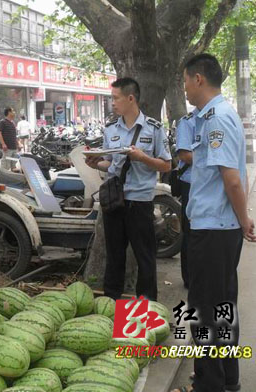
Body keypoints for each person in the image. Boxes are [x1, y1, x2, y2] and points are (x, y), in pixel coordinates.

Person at [171, 54, 256, 392]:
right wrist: (241, 220)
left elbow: (231, 179)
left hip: (212, 229)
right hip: (221, 228)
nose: (185, 89)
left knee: (204, 310)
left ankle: (209, 384)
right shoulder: (218, 116)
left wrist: (244, 219)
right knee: (222, 307)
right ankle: (226, 378)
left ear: (198, 79)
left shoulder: (217, 119)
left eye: (186, 82)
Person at [85, 77, 171, 301]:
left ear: (130, 98)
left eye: (116, 98)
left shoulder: (153, 129)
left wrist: (142, 157)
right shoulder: (111, 129)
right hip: (115, 200)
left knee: (145, 257)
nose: (112, 103)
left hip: (140, 201)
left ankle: (146, 309)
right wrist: (96, 162)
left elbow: (166, 165)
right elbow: (110, 164)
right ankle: (111, 306)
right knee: (114, 257)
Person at [175, 108, 198, 289]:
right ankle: (190, 279)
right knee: (190, 231)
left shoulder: (216, 118)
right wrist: (211, 158)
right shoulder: (187, 121)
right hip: (191, 184)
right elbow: (184, 154)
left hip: (211, 184)